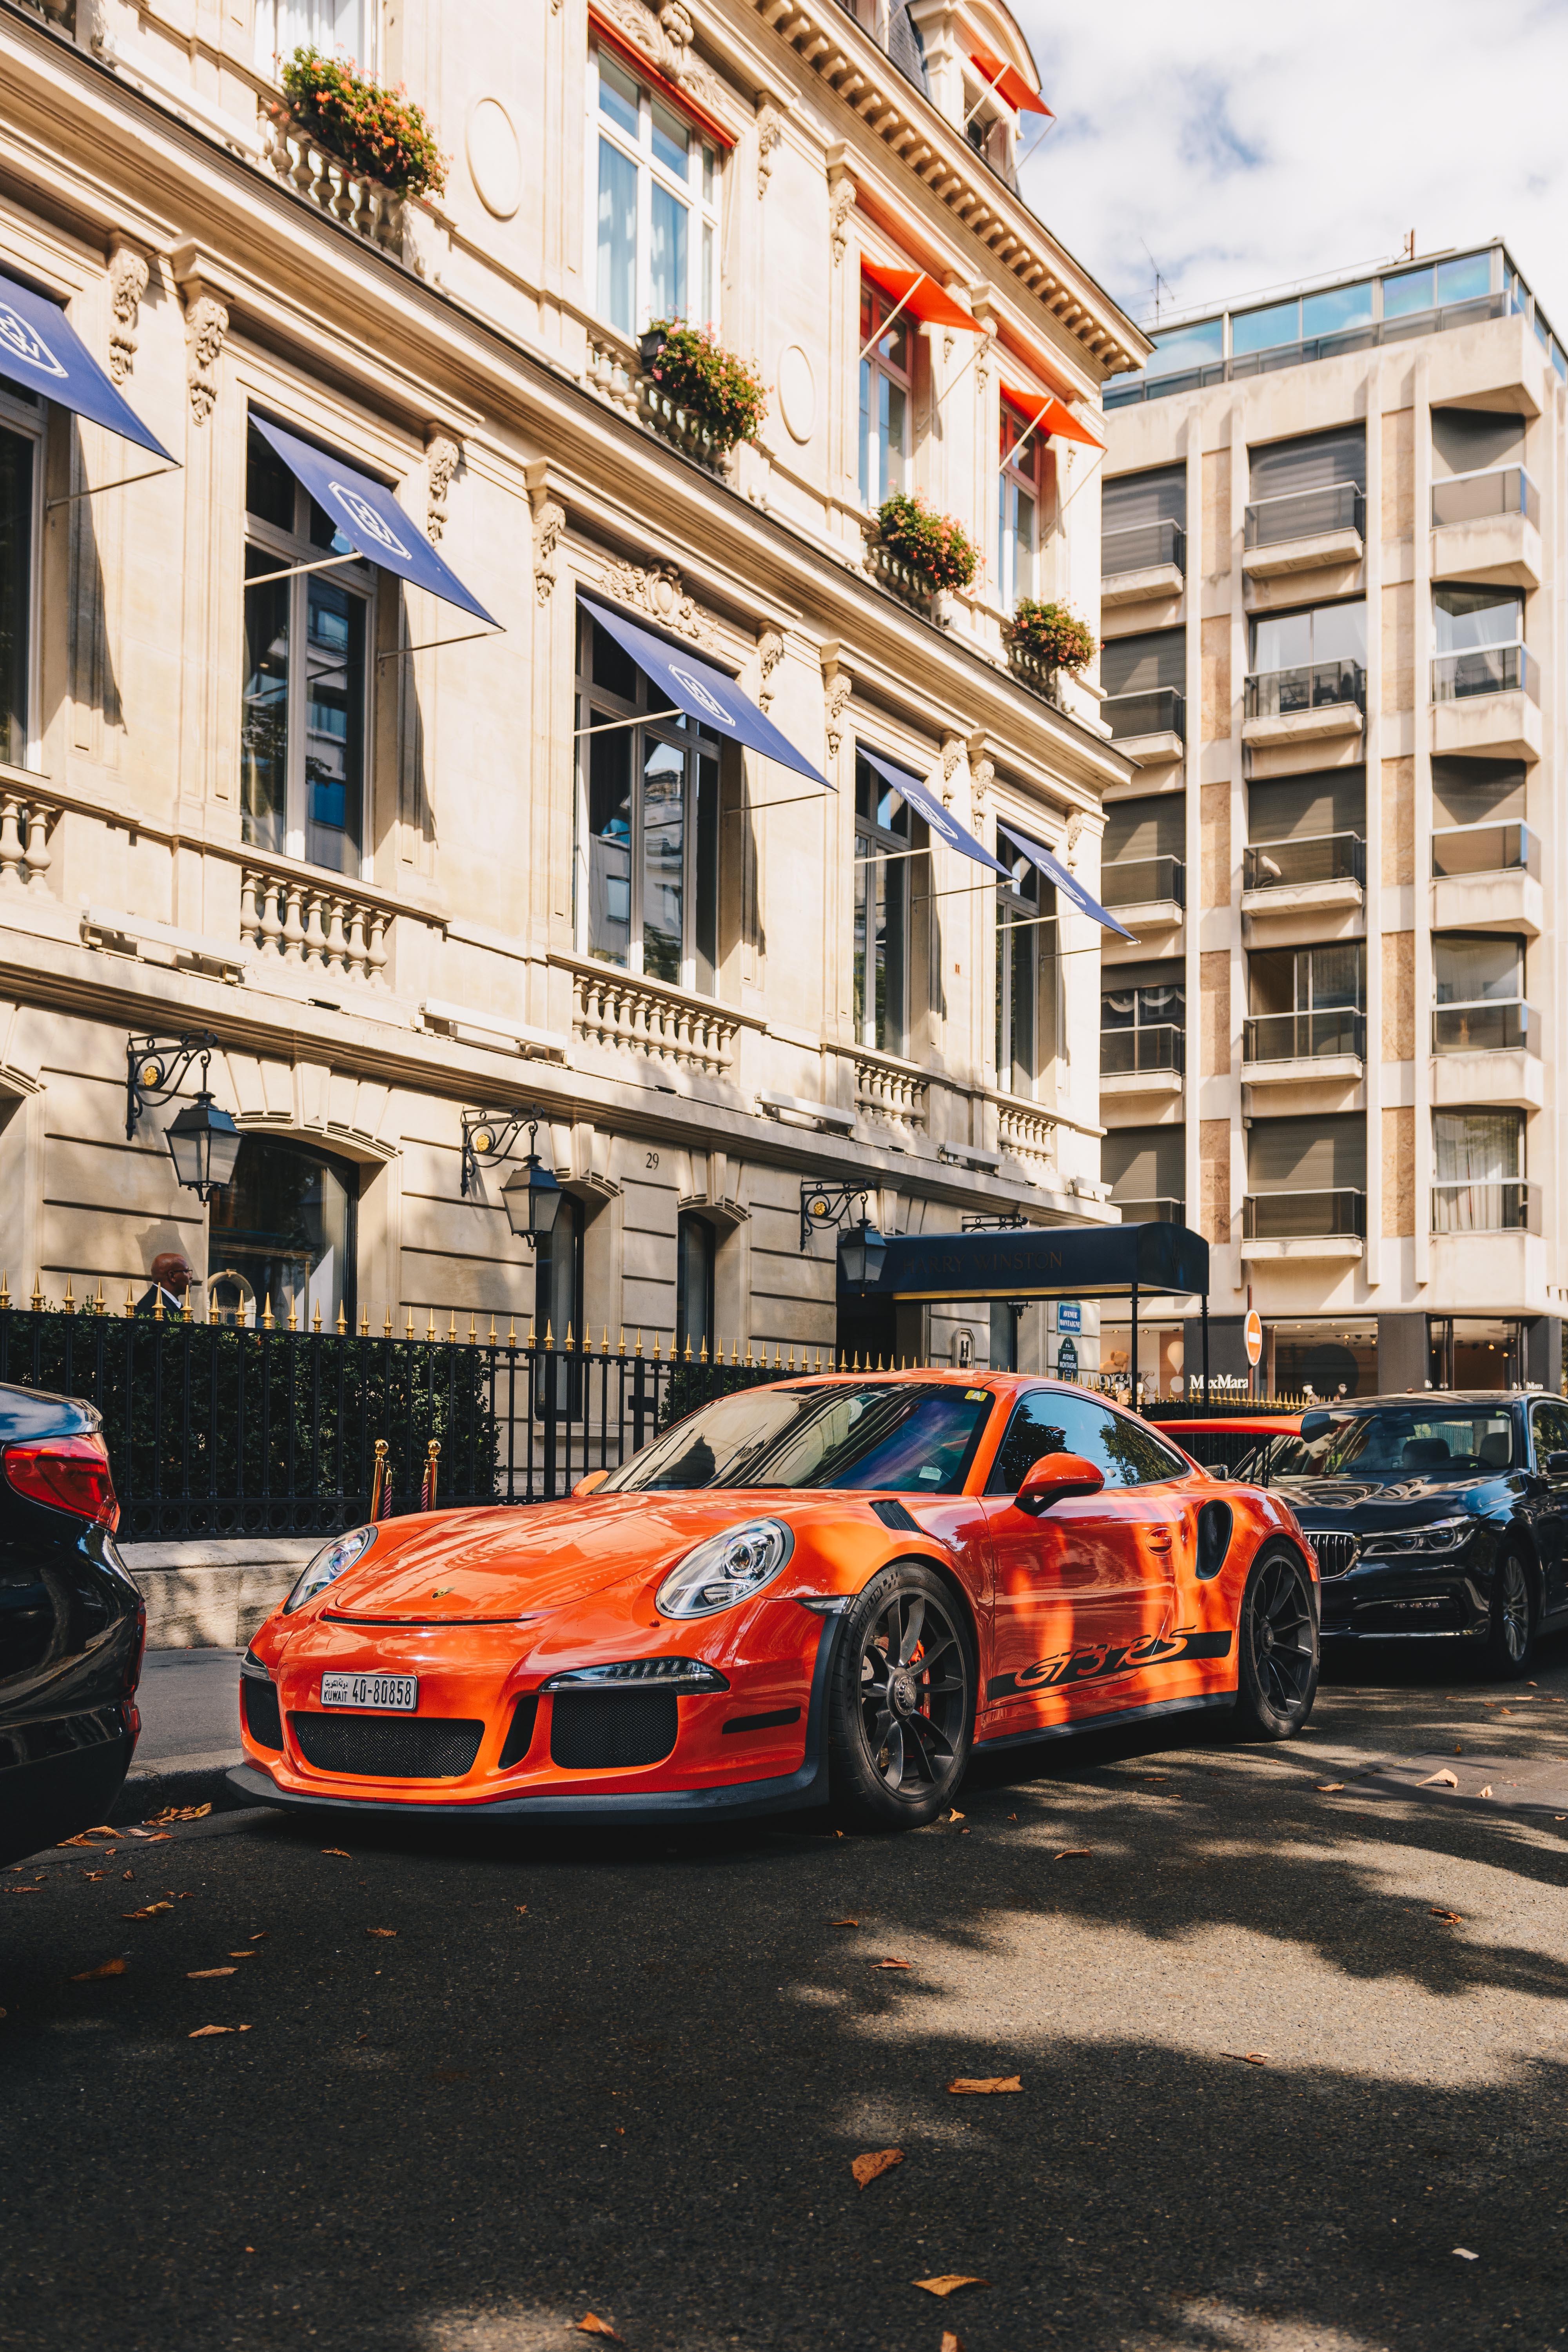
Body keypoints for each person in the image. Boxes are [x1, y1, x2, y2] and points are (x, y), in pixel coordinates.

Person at [136, 1252, 194, 1317]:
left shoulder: (168, 1302)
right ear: (172, 1276)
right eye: (187, 1271)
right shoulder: (156, 1308)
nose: (191, 1276)